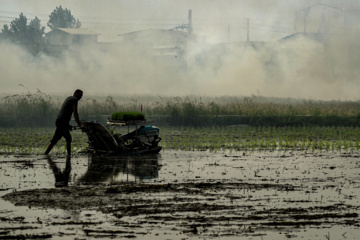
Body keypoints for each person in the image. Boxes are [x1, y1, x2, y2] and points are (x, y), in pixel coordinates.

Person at [44, 89, 83, 155]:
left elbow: (65, 113)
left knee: (56, 138)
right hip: (62, 122)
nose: (81, 97)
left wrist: (68, 126)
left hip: (60, 121)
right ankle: (69, 155)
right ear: (76, 94)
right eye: (80, 95)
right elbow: (75, 112)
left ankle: (46, 154)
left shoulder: (69, 98)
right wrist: (80, 125)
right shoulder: (74, 100)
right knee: (67, 138)